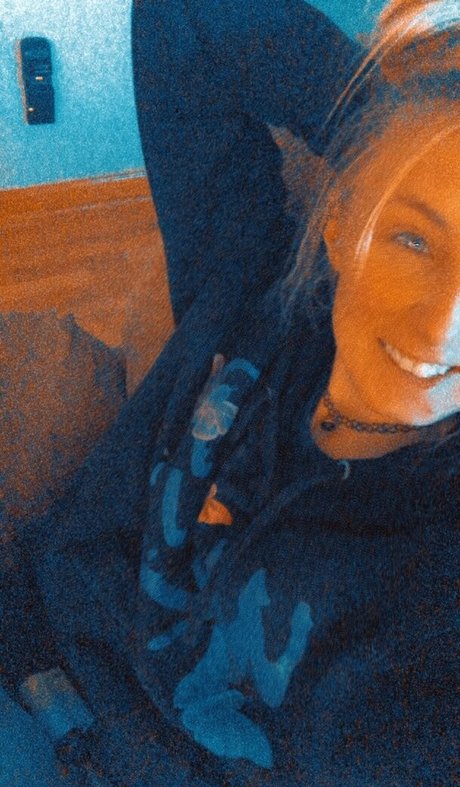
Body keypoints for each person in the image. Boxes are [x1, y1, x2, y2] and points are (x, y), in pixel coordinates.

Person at [4, 0, 458, 783]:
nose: (444, 323)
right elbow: (184, 17)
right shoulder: (254, 282)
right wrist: (403, 132)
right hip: (30, 645)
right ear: (342, 221)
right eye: (412, 237)